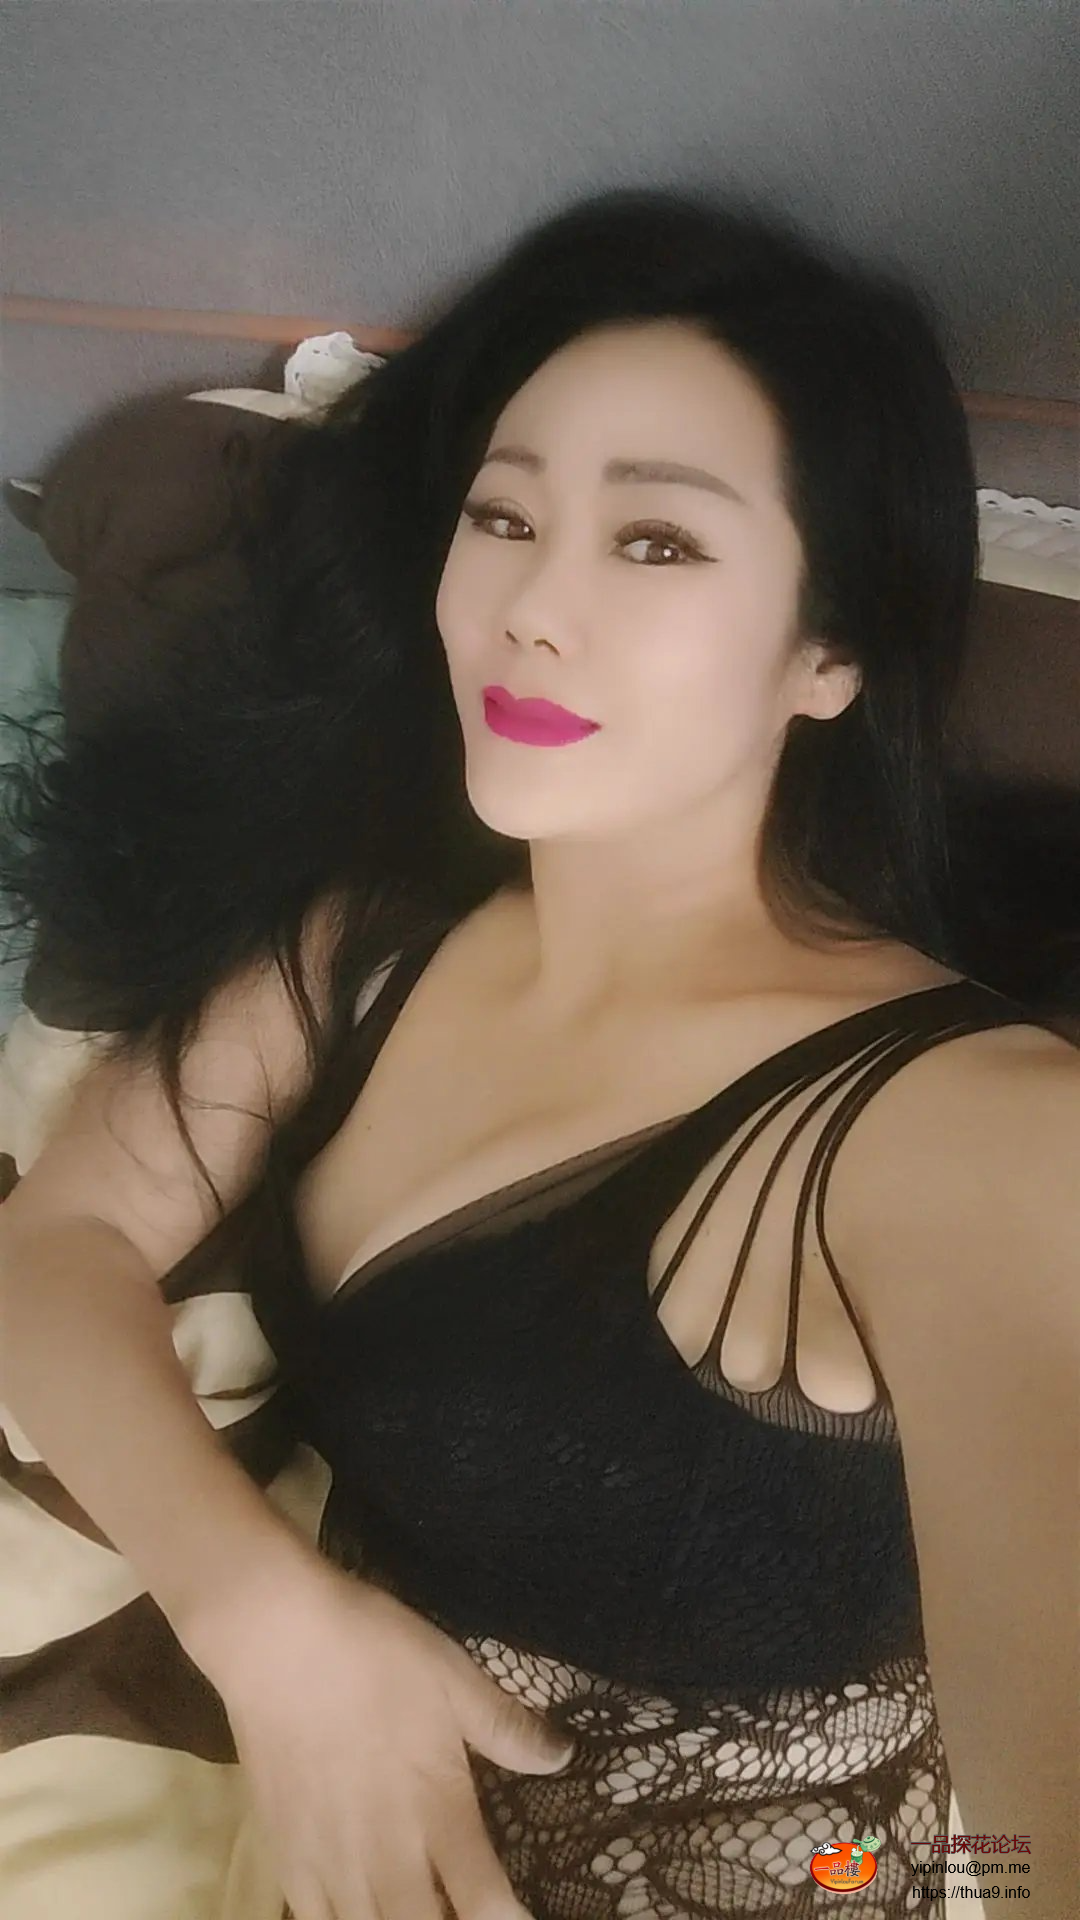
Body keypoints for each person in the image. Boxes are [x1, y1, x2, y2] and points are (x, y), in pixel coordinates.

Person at [0, 187, 1075, 1920]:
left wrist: (962, 1882)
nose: (531, 608)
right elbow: (58, 1244)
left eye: (657, 543)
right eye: (503, 515)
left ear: (829, 652)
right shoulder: (364, 951)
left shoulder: (971, 1130)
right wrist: (266, 1623)